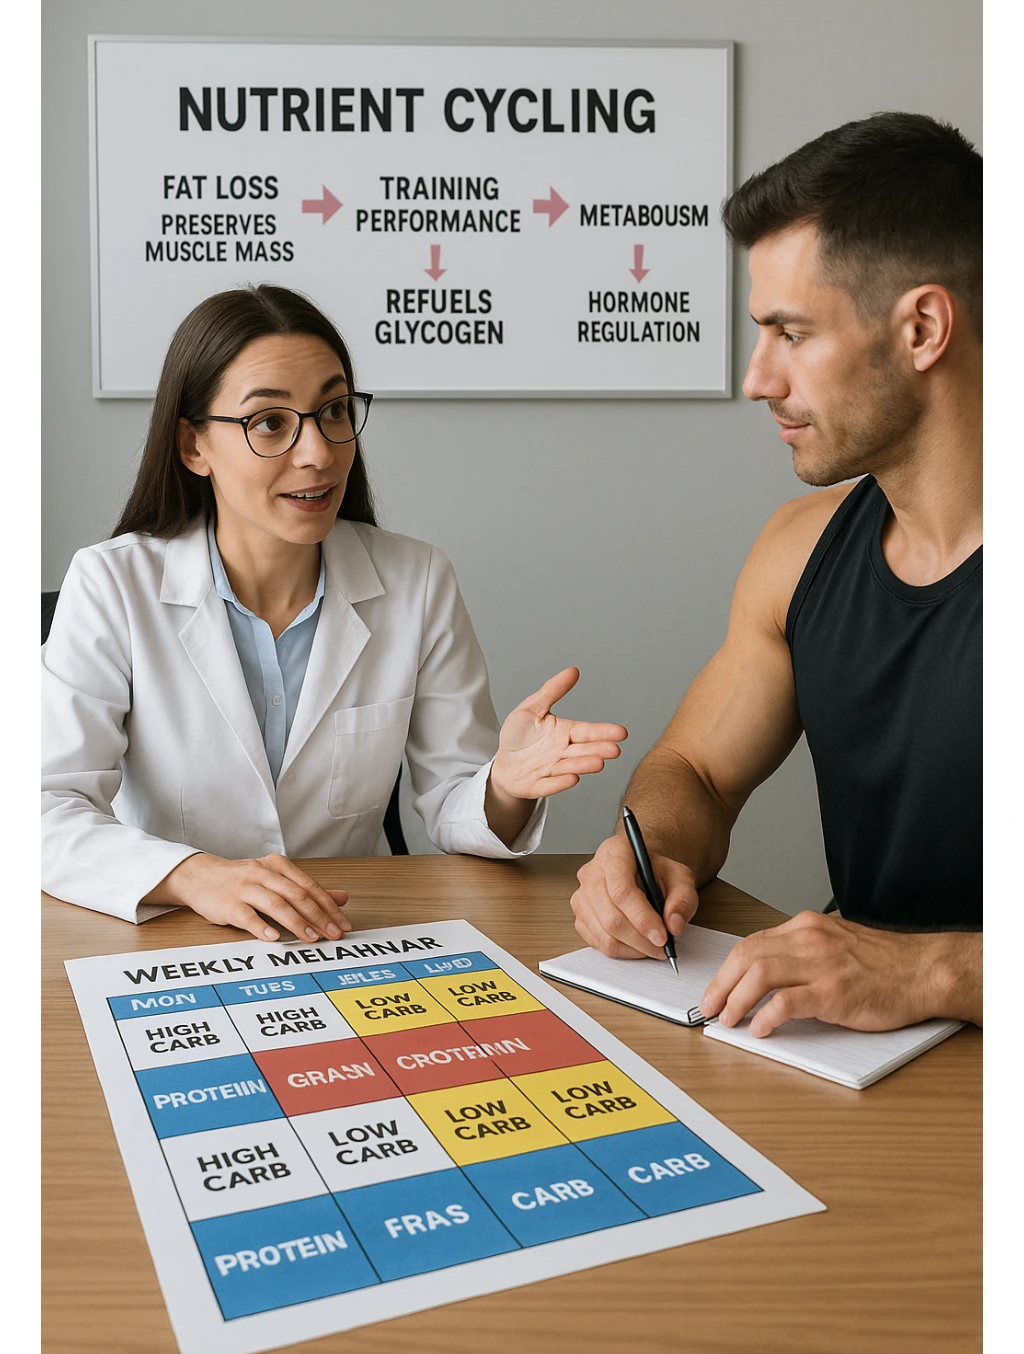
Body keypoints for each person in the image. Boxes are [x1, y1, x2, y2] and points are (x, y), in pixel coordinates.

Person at [42, 284, 626, 941]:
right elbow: (42, 809)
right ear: (193, 446)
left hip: (344, 930)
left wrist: (507, 787)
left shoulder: (416, 580)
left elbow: (452, 802)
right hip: (168, 932)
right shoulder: (113, 584)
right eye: (270, 423)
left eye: (334, 411)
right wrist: (196, 875)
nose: (318, 452)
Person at [570, 112, 982, 1036]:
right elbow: (696, 772)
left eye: (790, 333)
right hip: (859, 1075)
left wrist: (931, 972)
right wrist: (653, 851)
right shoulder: (798, 551)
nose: (757, 378)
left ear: (921, 327)